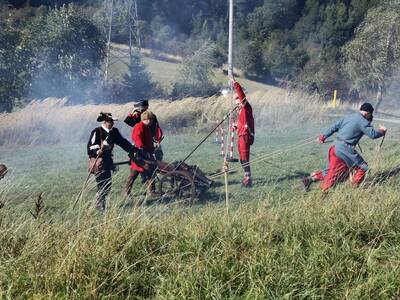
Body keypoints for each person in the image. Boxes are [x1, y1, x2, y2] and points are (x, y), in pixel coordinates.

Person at [303, 103, 387, 191]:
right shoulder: (362, 121)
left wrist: (323, 137)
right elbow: (373, 134)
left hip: (334, 148)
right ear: (367, 113)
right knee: (363, 167)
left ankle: (309, 179)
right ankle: (352, 189)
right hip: (345, 150)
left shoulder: (348, 117)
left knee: (332, 170)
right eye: (370, 115)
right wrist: (382, 131)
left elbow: (333, 127)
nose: (369, 117)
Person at [87, 112, 138, 211]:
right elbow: (91, 146)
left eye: (112, 121)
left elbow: (122, 142)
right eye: (110, 121)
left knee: (108, 184)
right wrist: (98, 150)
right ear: (105, 121)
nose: (112, 123)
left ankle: (100, 202)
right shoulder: (97, 131)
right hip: (99, 161)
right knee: (102, 183)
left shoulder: (114, 132)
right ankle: (100, 204)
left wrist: (132, 150)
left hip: (108, 161)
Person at [125, 111, 158, 198]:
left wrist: (153, 146)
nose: (151, 121)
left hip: (146, 153)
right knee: (133, 175)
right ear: (145, 119)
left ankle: (152, 191)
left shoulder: (146, 127)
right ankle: (126, 193)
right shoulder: (139, 127)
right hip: (139, 155)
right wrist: (141, 148)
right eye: (150, 119)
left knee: (151, 173)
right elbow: (136, 138)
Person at [232, 79, 255, 187]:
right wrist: (236, 126)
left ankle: (248, 180)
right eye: (235, 99)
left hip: (245, 136)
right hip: (241, 135)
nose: (236, 100)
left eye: (237, 98)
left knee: (245, 159)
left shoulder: (246, 107)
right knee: (241, 159)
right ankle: (246, 176)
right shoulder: (241, 111)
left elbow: (241, 96)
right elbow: (242, 122)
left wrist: (235, 84)